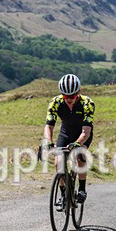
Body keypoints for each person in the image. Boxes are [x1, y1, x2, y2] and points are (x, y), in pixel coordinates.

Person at [44, 74, 95, 204]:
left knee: (80, 156)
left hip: (82, 134)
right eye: (65, 96)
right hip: (65, 133)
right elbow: (48, 126)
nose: (69, 99)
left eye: (72, 96)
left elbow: (86, 131)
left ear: (77, 93)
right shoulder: (55, 102)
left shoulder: (87, 103)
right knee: (58, 163)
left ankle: (82, 189)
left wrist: (77, 143)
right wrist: (49, 142)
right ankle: (63, 194)